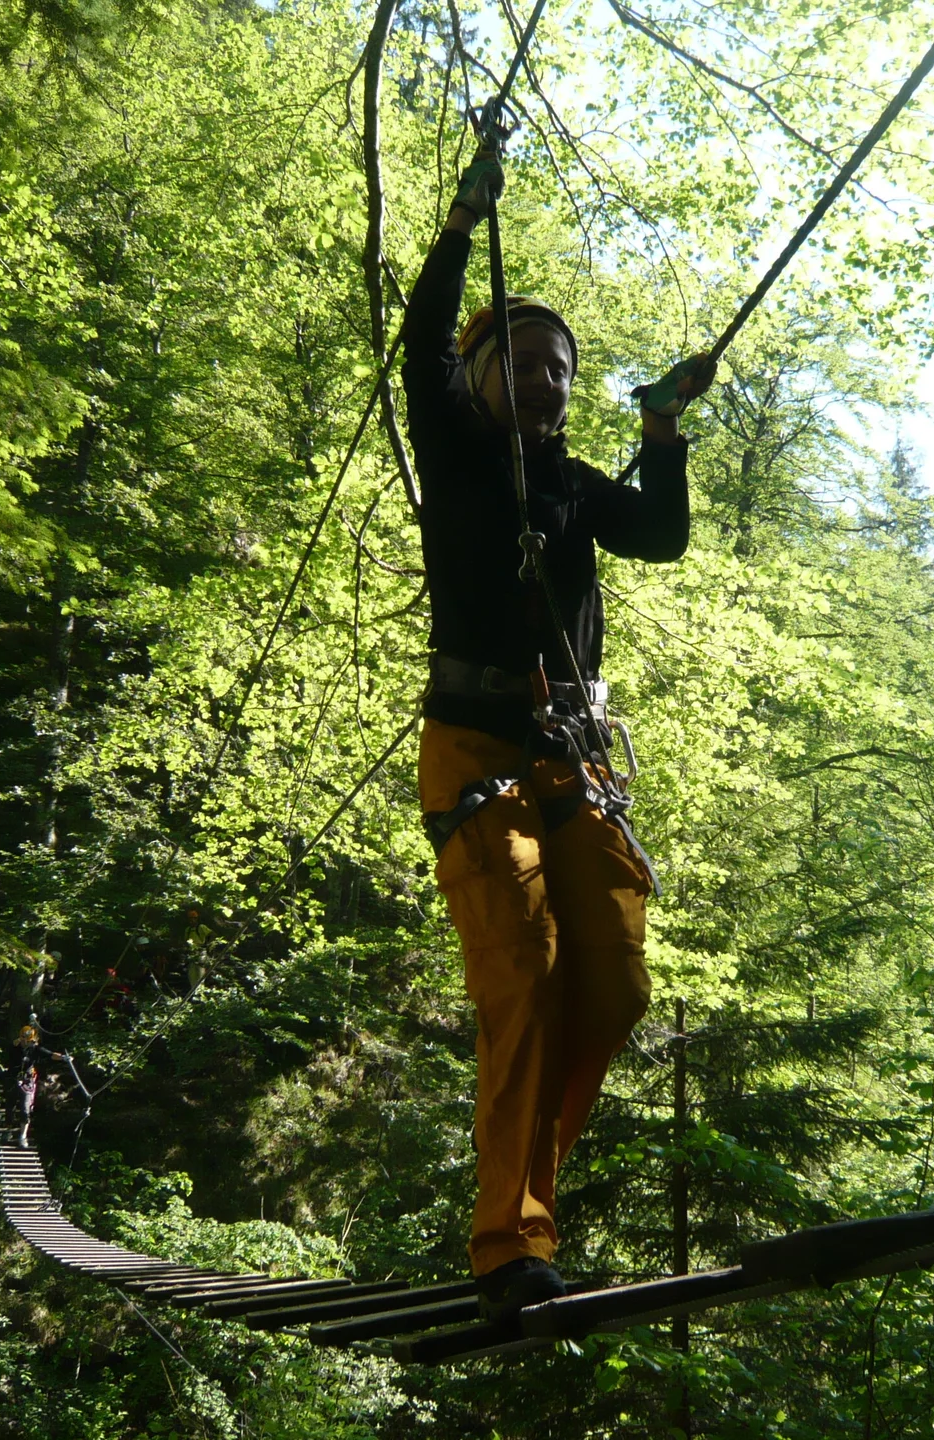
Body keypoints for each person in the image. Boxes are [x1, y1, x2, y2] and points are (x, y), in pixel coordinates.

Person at [401, 140, 715, 1321]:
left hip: (569, 755)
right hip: (480, 749)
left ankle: (526, 1198)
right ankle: (509, 1239)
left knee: (617, 987)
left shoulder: (576, 481)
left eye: (558, 374)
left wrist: (664, 429)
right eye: (523, 368)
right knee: (523, 974)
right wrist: (460, 223)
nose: (542, 387)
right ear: (482, 380)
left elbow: (660, 537)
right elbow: (422, 345)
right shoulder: (458, 451)